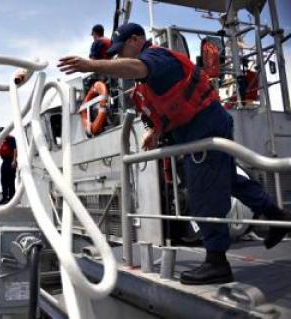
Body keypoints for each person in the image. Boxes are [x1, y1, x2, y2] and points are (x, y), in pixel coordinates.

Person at [58, 22, 291, 285]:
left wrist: (92, 66)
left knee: (202, 191)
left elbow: (136, 68)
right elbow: (160, 108)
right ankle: (273, 213)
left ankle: (217, 262)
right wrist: (154, 131)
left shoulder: (157, 58)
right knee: (228, 180)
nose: (119, 56)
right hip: (197, 128)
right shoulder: (147, 79)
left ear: (136, 40)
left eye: (121, 49)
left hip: (202, 128)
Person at [0, 127, 17, 205]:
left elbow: (15, 150)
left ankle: (12, 198)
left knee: (10, 180)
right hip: (4, 161)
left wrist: (14, 161)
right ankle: (4, 198)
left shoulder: (11, 139)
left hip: (11, 161)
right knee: (3, 180)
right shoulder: (0, 141)